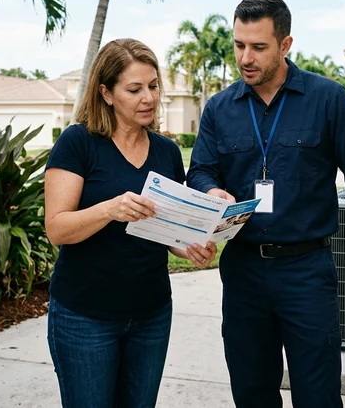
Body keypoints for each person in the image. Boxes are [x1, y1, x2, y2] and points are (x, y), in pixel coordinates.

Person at [187, 0, 345, 408]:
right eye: (238, 45)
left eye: (258, 47)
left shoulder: (328, 100)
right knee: (252, 393)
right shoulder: (219, 108)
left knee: (318, 394)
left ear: (285, 45)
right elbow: (200, 170)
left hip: (306, 272)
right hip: (243, 273)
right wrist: (208, 190)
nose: (245, 58)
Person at [44, 38, 217, 408]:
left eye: (153, 86)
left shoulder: (167, 151)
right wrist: (109, 210)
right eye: (135, 89)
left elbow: (165, 228)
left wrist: (187, 247)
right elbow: (57, 228)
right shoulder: (78, 143)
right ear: (106, 93)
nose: (149, 98)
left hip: (151, 315)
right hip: (85, 318)